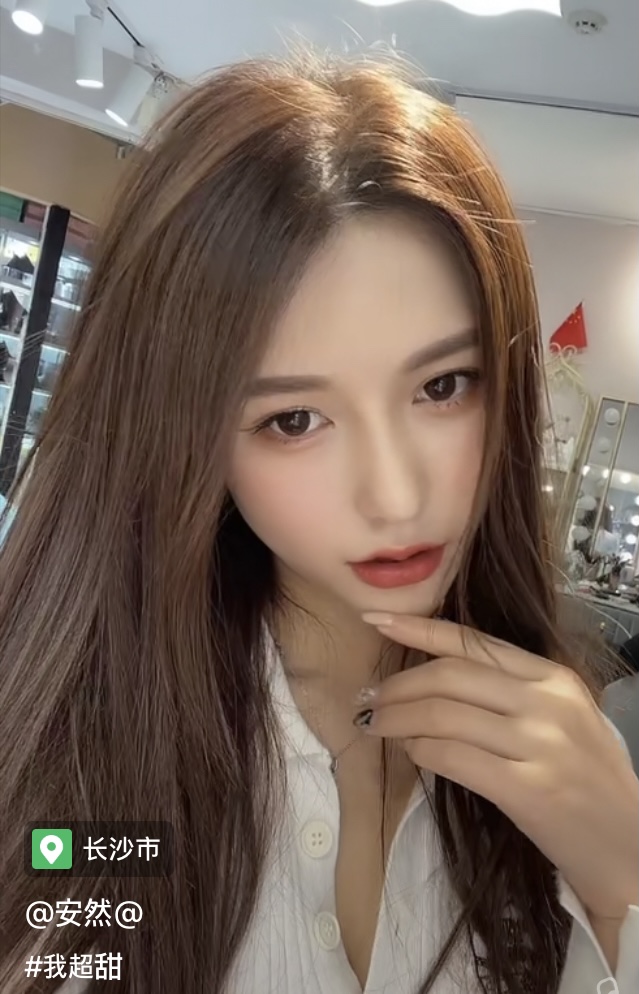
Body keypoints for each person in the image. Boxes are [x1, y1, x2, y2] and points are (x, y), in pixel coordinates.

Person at [0, 54, 637, 994]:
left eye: (441, 386)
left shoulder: (569, 761)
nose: (394, 496)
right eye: (294, 419)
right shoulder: (88, 762)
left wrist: (622, 889)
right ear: (183, 436)